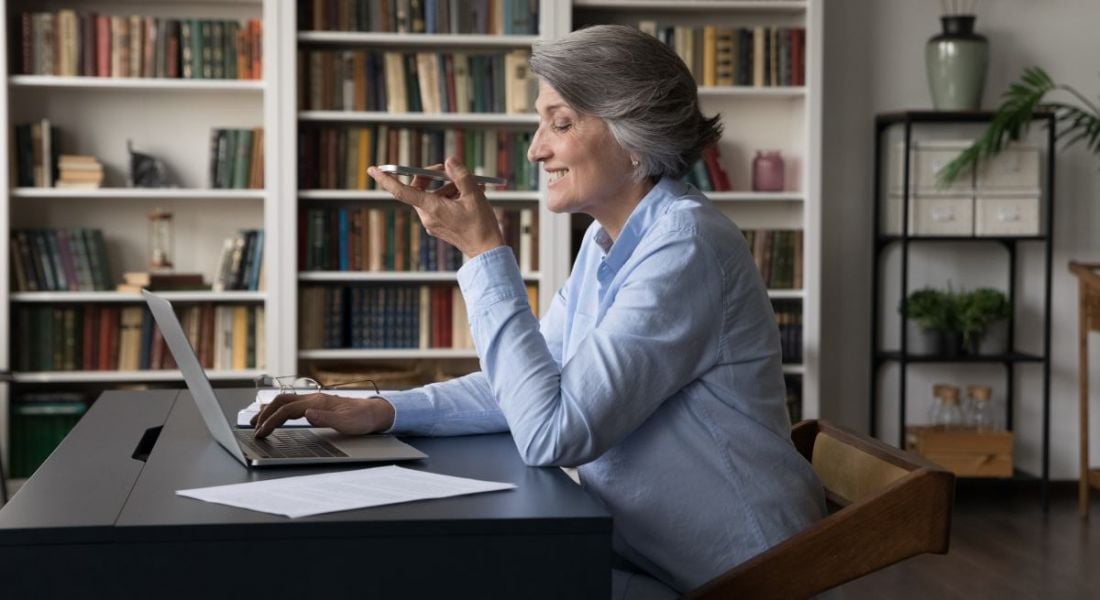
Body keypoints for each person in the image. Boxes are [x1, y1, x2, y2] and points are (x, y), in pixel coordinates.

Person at [255, 24, 824, 599]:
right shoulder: (607, 241)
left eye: (561, 122)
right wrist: (382, 411)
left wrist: (484, 252)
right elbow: (528, 385)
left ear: (635, 135)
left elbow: (553, 433)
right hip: (644, 556)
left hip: (742, 579)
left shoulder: (686, 246)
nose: (535, 148)